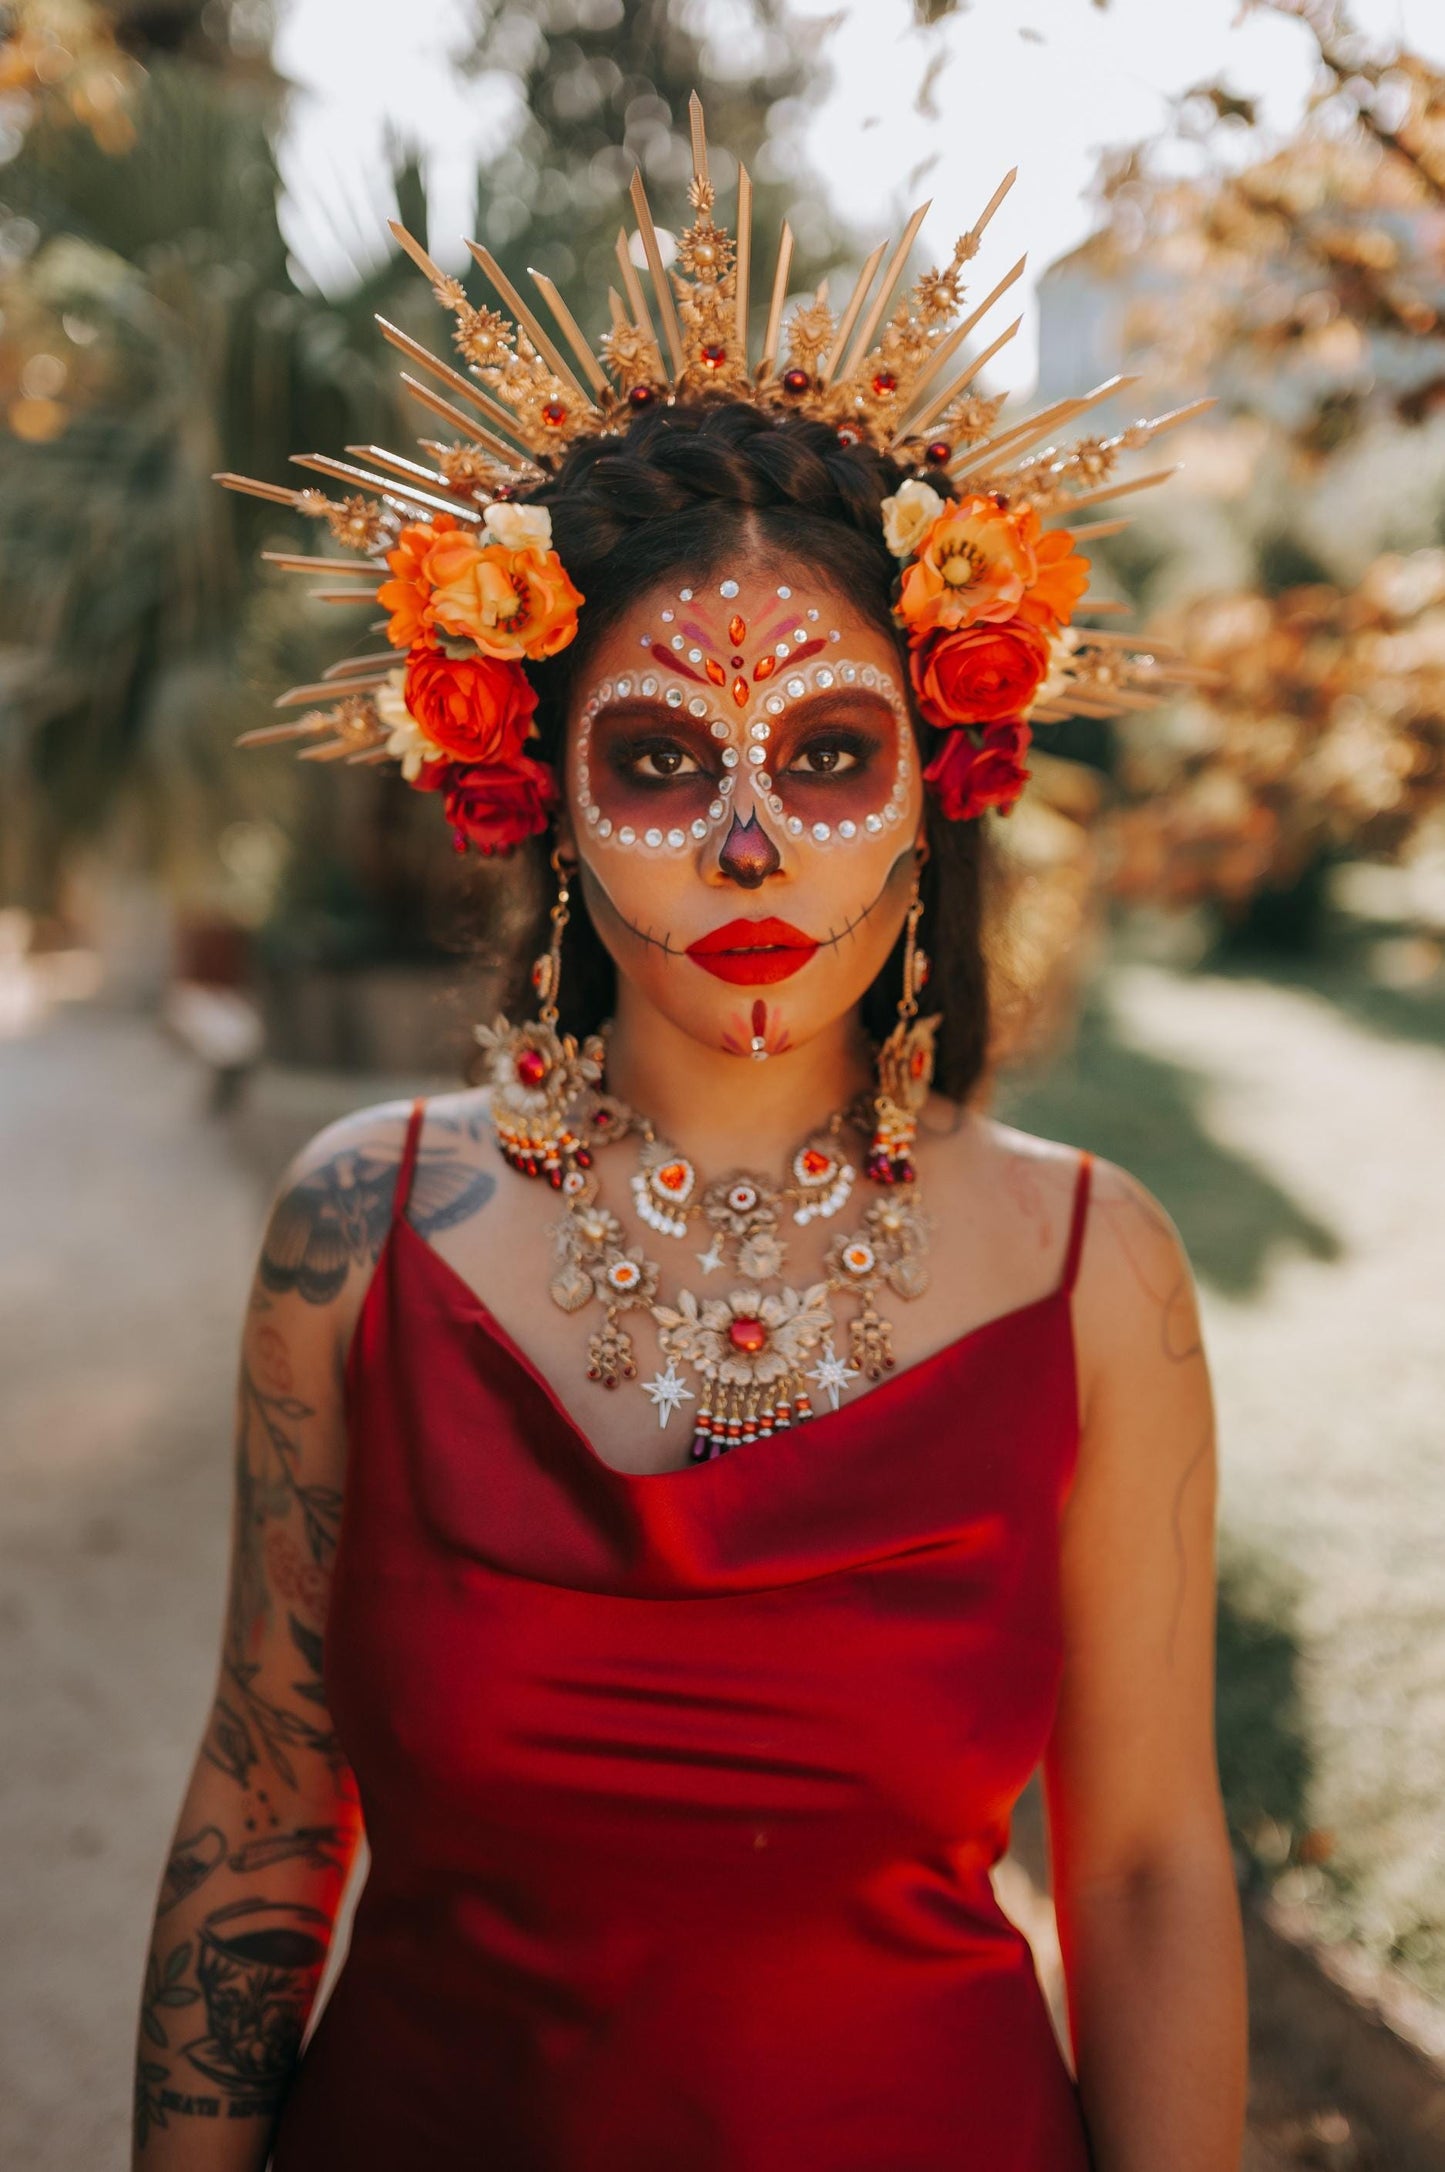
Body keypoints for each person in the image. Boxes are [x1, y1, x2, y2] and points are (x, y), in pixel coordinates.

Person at [132, 116, 1247, 2172]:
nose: (749, 844)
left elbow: (1152, 1870)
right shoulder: (356, 1232)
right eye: (659, 757)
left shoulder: (1101, 1276)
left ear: (941, 776)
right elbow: (265, 1803)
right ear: (540, 786)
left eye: (827, 754)